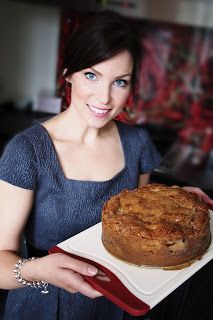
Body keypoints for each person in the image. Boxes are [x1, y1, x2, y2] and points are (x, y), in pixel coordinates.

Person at [0, 10, 212, 320]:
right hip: (47, 304)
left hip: (121, 302)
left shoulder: (137, 143)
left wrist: (174, 204)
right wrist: (36, 269)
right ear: (68, 74)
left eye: (120, 82)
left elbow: (141, 222)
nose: (104, 97)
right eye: (91, 75)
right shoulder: (27, 151)